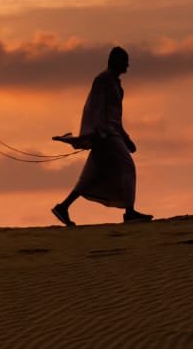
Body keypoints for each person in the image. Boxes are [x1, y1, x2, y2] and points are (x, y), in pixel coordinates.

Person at [51, 46, 153, 227]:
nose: (128, 65)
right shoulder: (103, 80)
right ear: (116, 61)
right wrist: (99, 132)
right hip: (105, 134)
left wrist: (126, 138)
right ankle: (129, 212)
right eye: (125, 61)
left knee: (92, 175)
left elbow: (116, 117)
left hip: (111, 134)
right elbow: (95, 107)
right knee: (127, 167)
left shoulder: (116, 84)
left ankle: (63, 207)